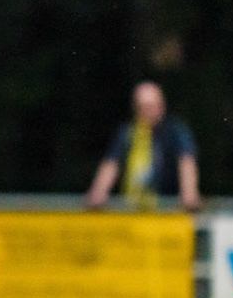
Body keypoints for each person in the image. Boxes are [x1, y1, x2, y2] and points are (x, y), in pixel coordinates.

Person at [85, 81, 202, 212]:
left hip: (167, 210)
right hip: (132, 210)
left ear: (162, 105)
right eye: (144, 107)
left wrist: (189, 193)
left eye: (153, 106)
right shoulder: (127, 133)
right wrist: (98, 191)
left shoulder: (176, 131)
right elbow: (111, 163)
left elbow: (186, 161)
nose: (150, 111)